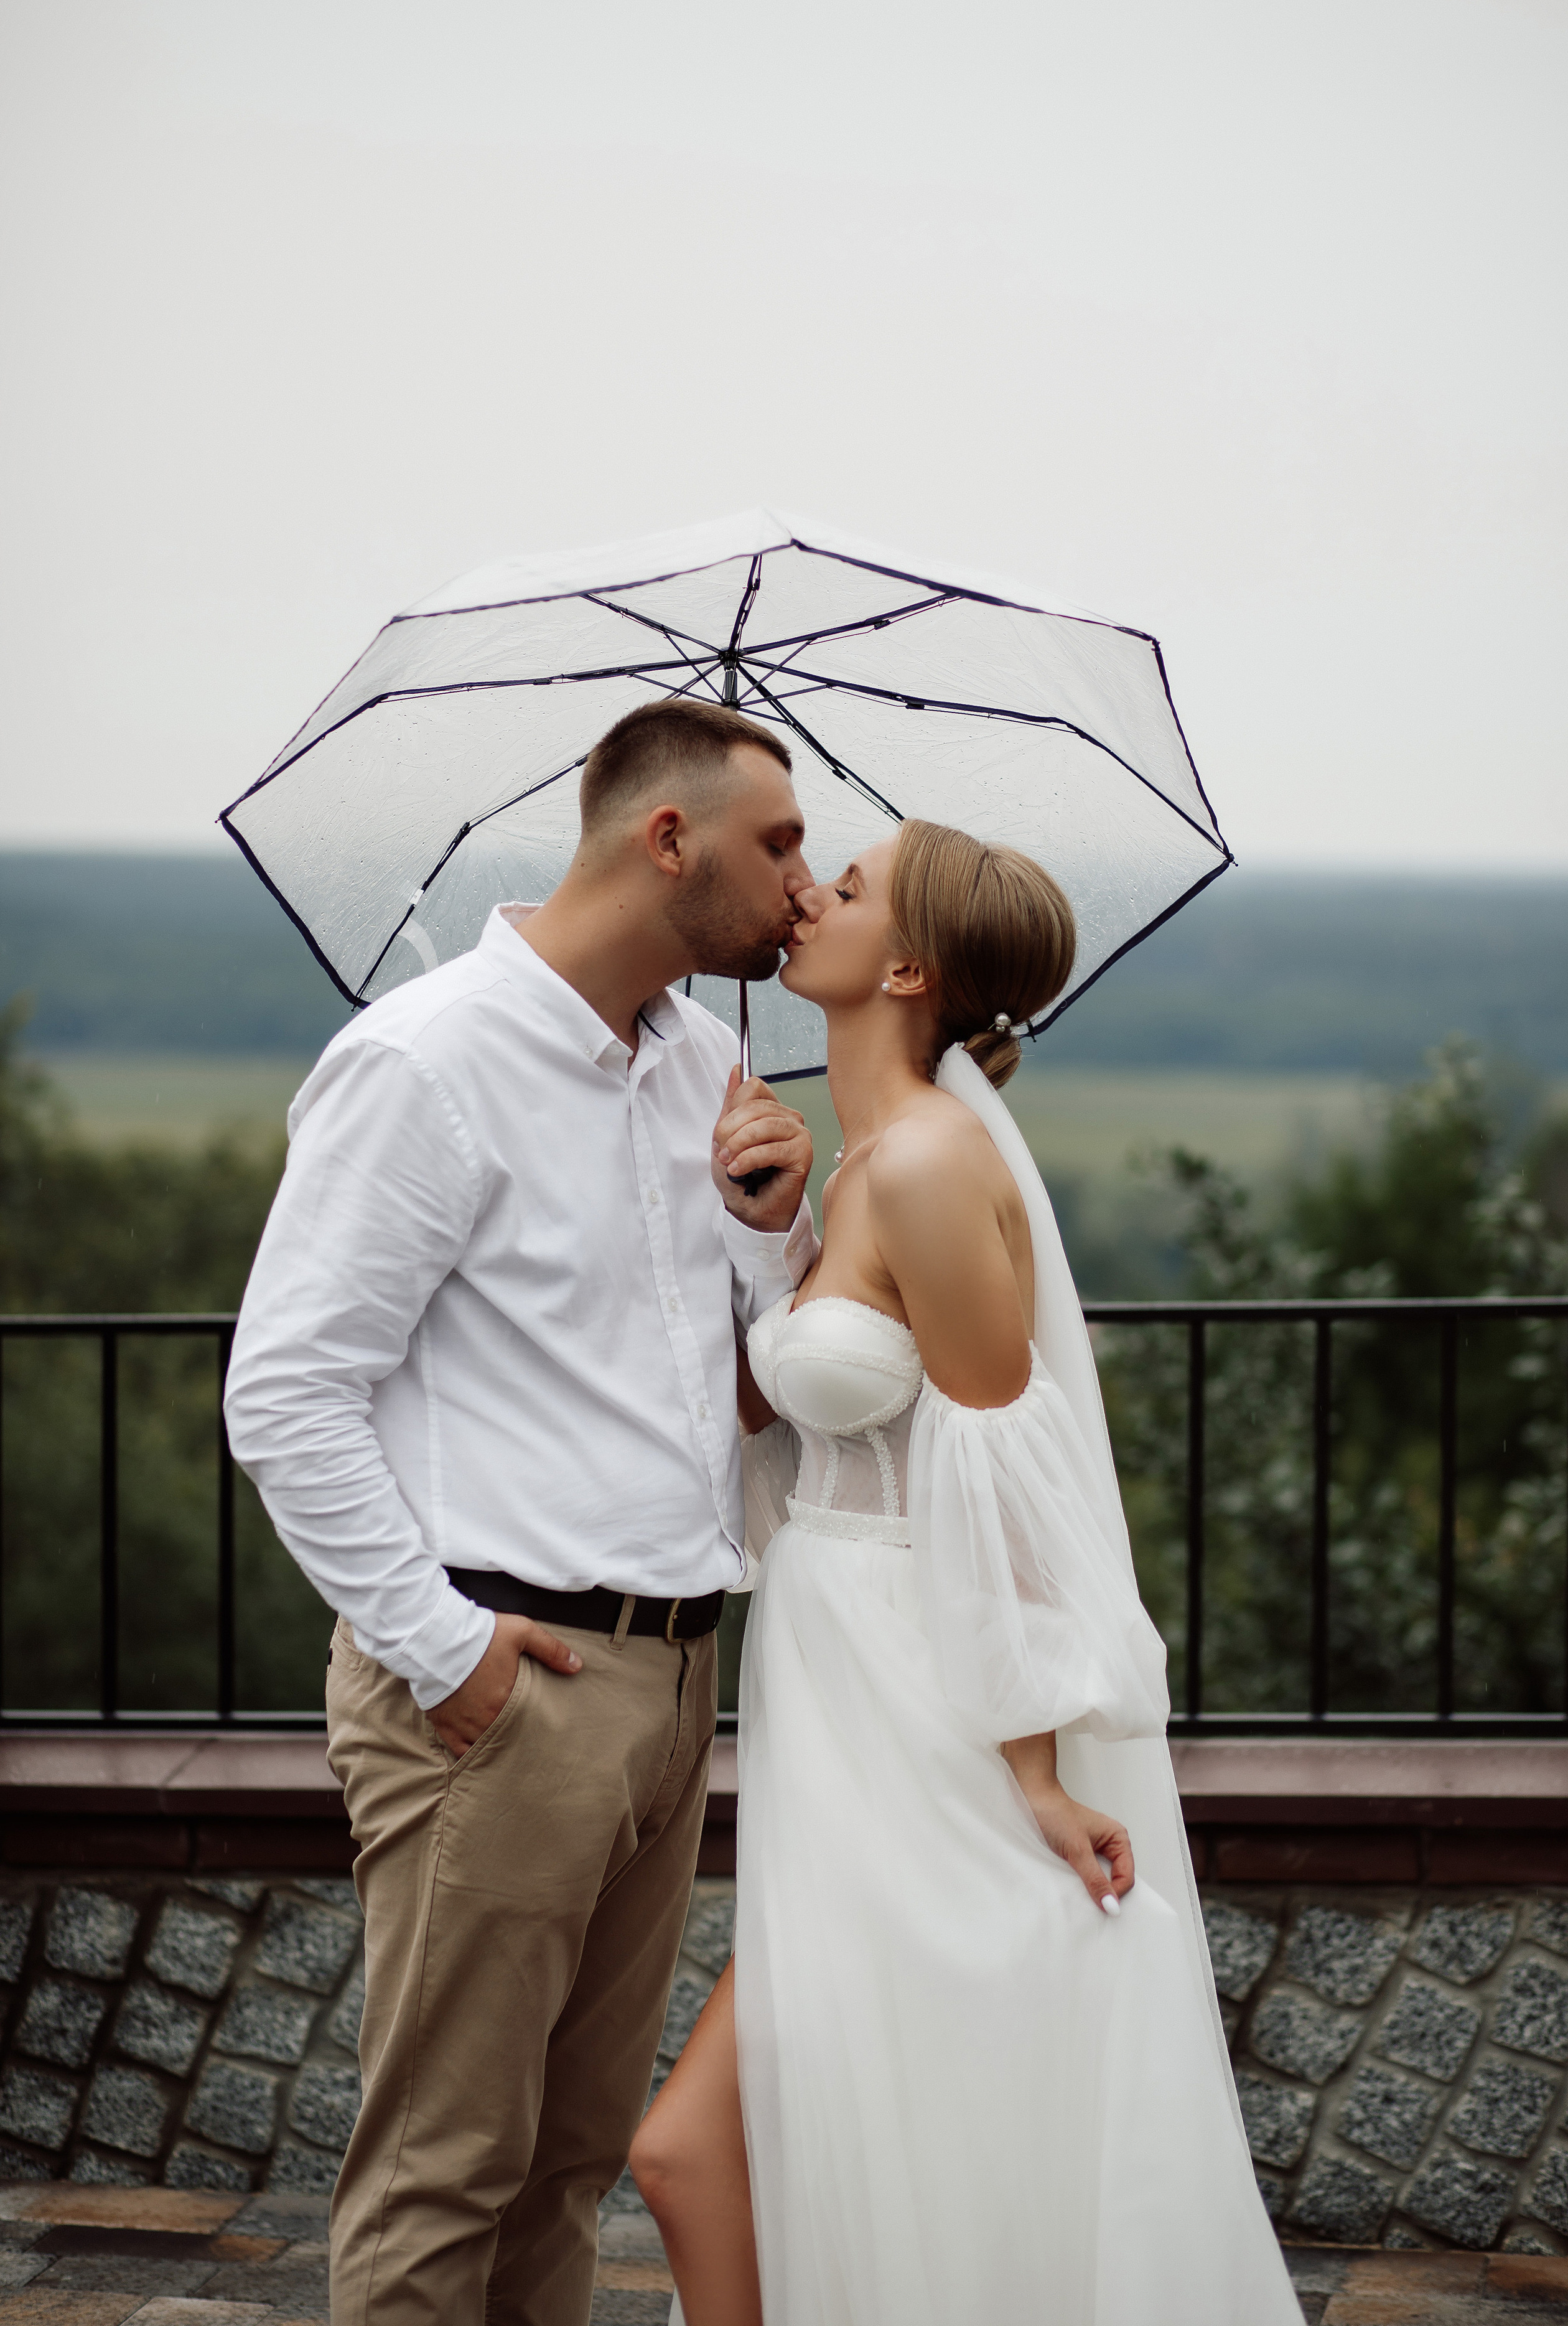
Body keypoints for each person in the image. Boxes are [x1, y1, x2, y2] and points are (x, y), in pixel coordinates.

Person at [630, 820, 1304, 2326]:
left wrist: (1038, 1768)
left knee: (689, 2151)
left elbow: (1002, 1477)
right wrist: (766, 1236)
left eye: (849, 889)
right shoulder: (868, 1162)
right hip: (833, 1681)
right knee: (792, 2139)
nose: (811, 893)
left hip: (917, 1693)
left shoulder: (930, 1165)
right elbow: (791, 1423)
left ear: (913, 968)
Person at [223, 698, 820, 2326]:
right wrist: (446, 1655)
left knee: (570, 2166)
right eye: (778, 844)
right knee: (445, 2171)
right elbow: (283, 1391)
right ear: (666, 838)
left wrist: (775, 1228)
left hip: (678, 1678)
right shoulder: (425, 1060)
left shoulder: (708, 1066)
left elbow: (746, 1391)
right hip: (508, 1685)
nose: (803, 883)